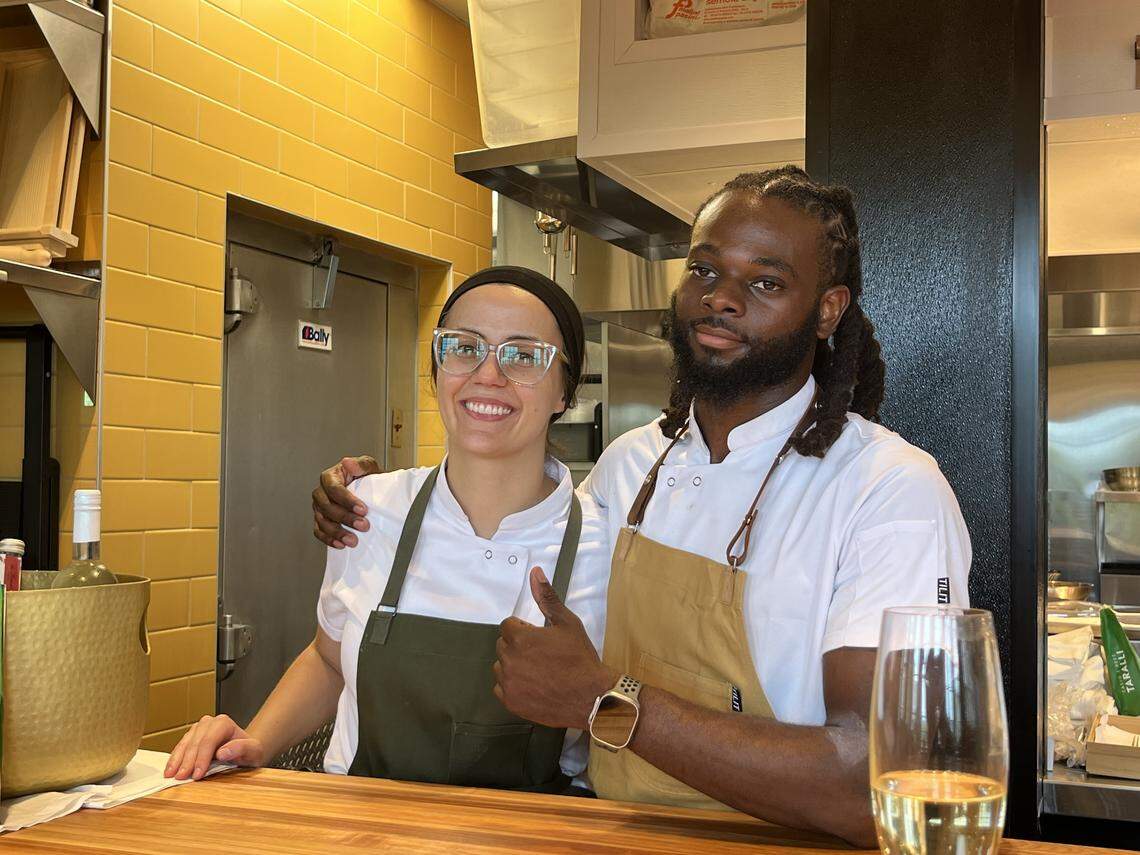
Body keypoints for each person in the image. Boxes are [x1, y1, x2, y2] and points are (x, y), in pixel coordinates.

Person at [311, 167, 971, 846]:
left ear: (828, 310)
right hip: (617, 834)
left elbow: (886, 780)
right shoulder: (631, 466)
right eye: (704, 270)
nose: (722, 299)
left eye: (765, 282)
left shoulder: (890, 490)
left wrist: (607, 702)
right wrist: (372, 502)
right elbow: (500, 534)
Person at [166, 266, 609, 794]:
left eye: (523, 356)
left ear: (565, 391)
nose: (488, 375)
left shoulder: (606, 548)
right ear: (437, 370)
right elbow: (328, 661)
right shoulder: (370, 509)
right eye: (463, 347)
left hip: (531, 839)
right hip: (361, 830)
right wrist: (256, 742)